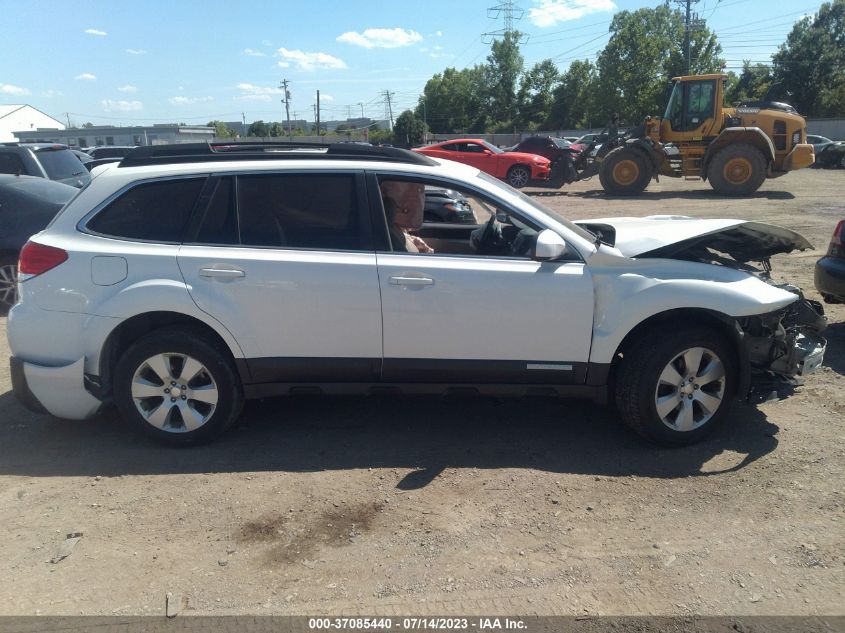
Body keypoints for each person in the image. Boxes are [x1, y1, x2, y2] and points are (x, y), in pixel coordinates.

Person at [380, 180, 434, 253]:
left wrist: (412, 240)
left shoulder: (392, 229)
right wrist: (428, 254)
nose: (417, 200)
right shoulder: (390, 236)